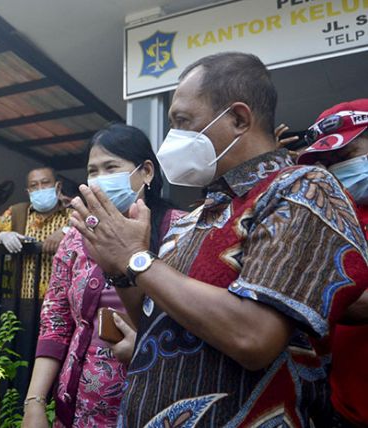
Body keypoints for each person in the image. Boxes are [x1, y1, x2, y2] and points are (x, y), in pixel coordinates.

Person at [69, 52, 368, 426]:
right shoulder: (195, 216)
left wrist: (137, 259)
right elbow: (154, 322)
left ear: (239, 118)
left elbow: (254, 337)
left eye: (183, 121)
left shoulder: (300, 190)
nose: (172, 138)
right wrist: (120, 269)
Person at [22, 124, 185, 428]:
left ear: (146, 171)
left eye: (111, 168)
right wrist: (34, 402)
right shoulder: (76, 236)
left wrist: (144, 346)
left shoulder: (181, 231)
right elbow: (56, 320)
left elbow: (194, 322)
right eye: (93, 171)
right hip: (77, 406)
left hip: (152, 403)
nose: (100, 180)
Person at [297, 99, 368, 427]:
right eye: (326, 162)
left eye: (344, 157)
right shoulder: (333, 217)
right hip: (342, 409)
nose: (335, 170)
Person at [0, 167, 70, 299]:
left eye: (45, 183)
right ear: (28, 191)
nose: (40, 188)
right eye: (34, 185)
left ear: (58, 186)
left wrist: (66, 231)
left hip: (63, 301)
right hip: (25, 298)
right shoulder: (18, 212)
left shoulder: (73, 215)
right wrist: (2, 236)